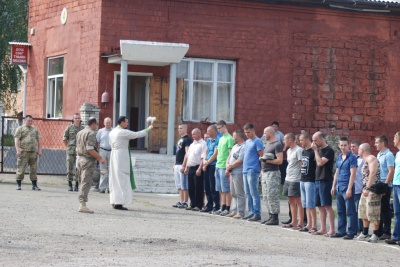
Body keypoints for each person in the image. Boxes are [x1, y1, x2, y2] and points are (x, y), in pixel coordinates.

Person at [108, 116, 153, 210]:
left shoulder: (112, 131)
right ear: (122, 122)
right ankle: (119, 203)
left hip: (114, 154)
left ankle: (114, 200)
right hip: (121, 155)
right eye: (126, 122)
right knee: (122, 178)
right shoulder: (122, 132)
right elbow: (137, 134)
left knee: (115, 179)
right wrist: (149, 129)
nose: (127, 124)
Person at [76, 117, 106, 213]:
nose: (96, 126)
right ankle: (82, 204)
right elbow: (90, 149)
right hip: (87, 160)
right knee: (86, 181)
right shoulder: (91, 133)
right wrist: (100, 158)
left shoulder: (80, 132)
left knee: (81, 181)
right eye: (96, 124)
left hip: (80, 159)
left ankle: (81, 202)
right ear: (93, 124)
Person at [330, 137, 358, 240]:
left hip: (347, 187)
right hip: (339, 187)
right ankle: (341, 231)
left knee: (350, 211)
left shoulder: (352, 157)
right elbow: (337, 172)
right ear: (339, 145)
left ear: (348, 145)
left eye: (345, 145)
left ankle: (351, 232)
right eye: (341, 145)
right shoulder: (339, 157)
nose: (343, 147)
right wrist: (333, 186)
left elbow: (353, 174)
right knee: (340, 211)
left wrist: (350, 188)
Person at [311, 132, 335, 236]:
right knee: (320, 206)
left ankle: (332, 229)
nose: (314, 143)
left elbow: (320, 163)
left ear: (322, 139)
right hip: (317, 179)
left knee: (327, 206)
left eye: (315, 140)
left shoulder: (329, 150)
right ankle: (323, 228)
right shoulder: (319, 150)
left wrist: (315, 150)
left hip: (325, 180)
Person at [356, 143, 382, 243]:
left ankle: (375, 234)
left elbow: (373, 173)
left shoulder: (371, 158)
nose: (358, 151)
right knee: (363, 211)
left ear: (362, 150)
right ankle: (365, 232)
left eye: (359, 149)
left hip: (373, 189)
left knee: (373, 211)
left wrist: (367, 187)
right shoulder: (365, 160)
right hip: (365, 189)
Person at [260, 126, 283, 224]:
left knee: (272, 195)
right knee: (266, 195)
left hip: (273, 173)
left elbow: (280, 160)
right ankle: (270, 215)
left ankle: (275, 217)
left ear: (270, 133)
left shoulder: (277, 144)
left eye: (265, 133)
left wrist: (267, 160)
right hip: (265, 172)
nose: (264, 135)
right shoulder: (267, 144)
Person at [242, 123, 264, 221]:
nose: (247, 134)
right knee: (247, 192)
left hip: (253, 169)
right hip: (245, 169)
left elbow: (262, 156)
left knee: (253, 192)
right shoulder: (247, 142)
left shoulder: (257, 141)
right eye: (245, 132)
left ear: (253, 130)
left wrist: (262, 169)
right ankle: (251, 212)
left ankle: (257, 212)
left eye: (248, 132)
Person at [14, 115, 42, 191]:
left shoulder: (35, 129)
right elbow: (16, 140)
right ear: (25, 120)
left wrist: (39, 150)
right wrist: (18, 150)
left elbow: (39, 140)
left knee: (33, 169)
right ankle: (19, 184)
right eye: (28, 120)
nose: (30, 122)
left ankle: (34, 185)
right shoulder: (20, 129)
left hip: (33, 152)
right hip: (23, 152)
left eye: (31, 121)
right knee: (21, 168)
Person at [375, 135, 395, 240]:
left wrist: (385, 185)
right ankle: (379, 231)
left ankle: (387, 232)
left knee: (385, 209)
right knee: (379, 209)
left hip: (385, 184)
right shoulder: (379, 154)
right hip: (379, 184)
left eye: (377, 142)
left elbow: (391, 171)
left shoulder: (389, 155)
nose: (375, 145)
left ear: (382, 143)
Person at [282, 133, 303, 229]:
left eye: (285, 139)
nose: (284, 141)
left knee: (298, 201)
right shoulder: (288, 151)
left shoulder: (298, 150)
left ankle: (301, 222)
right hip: (288, 178)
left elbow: (301, 165)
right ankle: (293, 221)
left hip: (296, 179)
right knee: (290, 200)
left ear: (290, 139)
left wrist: (301, 178)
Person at [183, 128, 206, 211]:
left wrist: (199, 169)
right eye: (192, 134)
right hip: (191, 167)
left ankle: (198, 205)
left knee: (198, 187)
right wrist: (186, 167)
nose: (192, 136)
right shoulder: (192, 144)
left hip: (197, 167)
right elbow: (188, 156)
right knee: (191, 187)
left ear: (199, 134)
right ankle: (192, 203)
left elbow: (203, 157)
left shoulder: (203, 144)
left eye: (194, 134)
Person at [299, 132, 317, 233]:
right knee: (305, 204)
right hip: (303, 179)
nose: (300, 142)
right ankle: (309, 224)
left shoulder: (313, 151)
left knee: (311, 204)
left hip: (310, 180)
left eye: (301, 140)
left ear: (306, 139)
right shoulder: (303, 151)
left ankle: (314, 224)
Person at [215, 120, 234, 216]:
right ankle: (222, 206)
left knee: (226, 188)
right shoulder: (221, 138)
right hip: (218, 165)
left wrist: (228, 167)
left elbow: (231, 153)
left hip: (224, 166)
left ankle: (227, 207)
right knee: (220, 189)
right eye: (217, 128)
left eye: (219, 128)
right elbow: (218, 152)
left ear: (224, 126)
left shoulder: (229, 138)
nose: (218, 130)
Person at [225, 130, 246, 219]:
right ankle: (233, 211)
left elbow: (240, 160)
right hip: (232, 171)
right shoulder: (234, 146)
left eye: (233, 137)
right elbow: (229, 157)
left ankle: (240, 212)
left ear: (238, 137)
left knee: (239, 192)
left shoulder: (243, 147)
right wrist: (227, 165)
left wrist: (230, 167)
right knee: (233, 192)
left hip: (238, 171)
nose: (233, 138)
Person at [201, 125, 220, 213]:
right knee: (207, 186)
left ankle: (216, 205)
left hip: (213, 164)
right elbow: (206, 151)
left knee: (213, 186)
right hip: (207, 164)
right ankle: (209, 205)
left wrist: (207, 163)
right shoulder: (208, 140)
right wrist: (204, 160)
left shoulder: (218, 139)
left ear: (214, 131)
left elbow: (215, 154)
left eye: (209, 130)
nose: (207, 132)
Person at [172, 123, 192, 209]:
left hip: (182, 164)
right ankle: (181, 201)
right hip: (177, 163)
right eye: (178, 128)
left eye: (181, 128)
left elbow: (187, 153)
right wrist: (174, 163)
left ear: (185, 129)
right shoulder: (179, 140)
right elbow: (177, 153)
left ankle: (185, 201)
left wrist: (184, 165)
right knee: (179, 185)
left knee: (184, 184)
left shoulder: (187, 140)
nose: (179, 130)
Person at [63, 113, 84, 191]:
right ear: (73, 119)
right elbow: (65, 138)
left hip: (79, 151)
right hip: (71, 151)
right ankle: (69, 184)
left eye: (79, 118)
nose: (77, 120)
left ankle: (77, 184)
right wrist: (68, 147)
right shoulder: (69, 128)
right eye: (76, 118)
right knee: (70, 167)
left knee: (78, 168)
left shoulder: (83, 129)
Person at [385, 132, 400, 245]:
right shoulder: (398, 154)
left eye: (394, 138)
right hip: (395, 184)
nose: (393, 141)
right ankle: (396, 236)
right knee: (397, 212)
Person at [350, 140, 364, 234]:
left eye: (354, 146)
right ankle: (353, 229)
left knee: (359, 210)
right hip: (351, 187)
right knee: (352, 210)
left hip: (359, 187)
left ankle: (360, 229)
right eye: (351, 146)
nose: (352, 148)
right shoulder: (350, 158)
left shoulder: (362, 160)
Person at [96, 117, 113, 194]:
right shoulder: (100, 131)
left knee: (111, 170)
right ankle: (102, 187)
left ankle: (109, 187)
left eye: (109, 122)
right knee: (103, 170)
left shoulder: (113, 131)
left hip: (111, 151)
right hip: (103, 151)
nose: (108, 124)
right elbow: (98, 141)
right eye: (107, 122)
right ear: (104, 123)